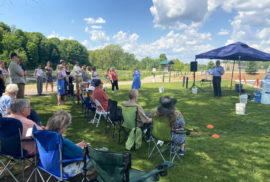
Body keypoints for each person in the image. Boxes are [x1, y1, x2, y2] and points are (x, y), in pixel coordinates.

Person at [46, 109, 90, 177]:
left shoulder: (49, 138)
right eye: (66, 126)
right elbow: (81, 154)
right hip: (62, 170)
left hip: (48, 167)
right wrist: (86, 148)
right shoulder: (63, 142)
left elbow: (61, 150)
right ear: (62, 128)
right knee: (92, 157)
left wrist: (76, 145)